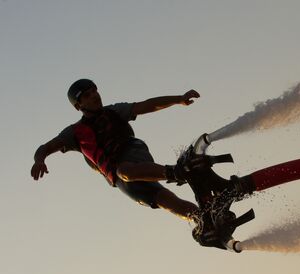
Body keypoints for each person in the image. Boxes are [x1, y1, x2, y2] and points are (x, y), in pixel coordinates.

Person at [31, 78, 200, 222]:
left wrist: (179, 99)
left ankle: (177, 171)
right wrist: (39, 160)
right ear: (78, 106)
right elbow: (45, 147)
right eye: (87, 96)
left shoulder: (114, 111)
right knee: (167, 201)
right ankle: (205, 218)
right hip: (119, 179)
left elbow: (147, 105)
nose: (94, 96)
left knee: (124, 171)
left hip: (132, 152)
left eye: (94, 91)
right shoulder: (74, 132)